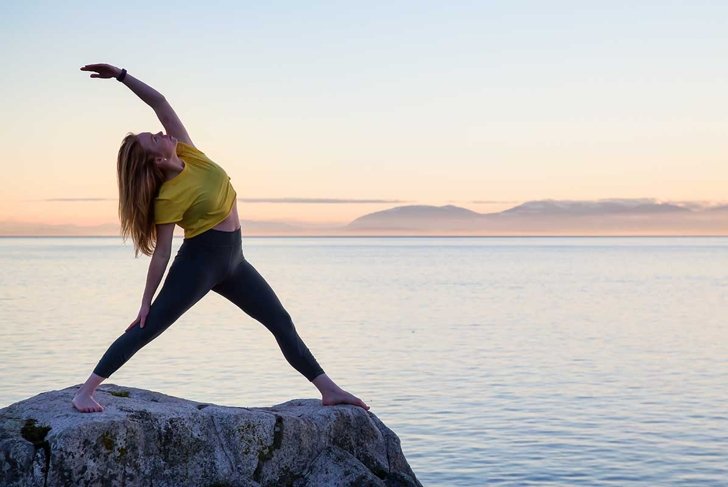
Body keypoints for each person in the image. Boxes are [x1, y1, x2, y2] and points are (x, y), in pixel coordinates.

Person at [72, 63, 369, 413]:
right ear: (154, 160)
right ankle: (85, 391)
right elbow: (163, 253)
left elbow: (161, 103)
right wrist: (145, 302)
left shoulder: (187, 152)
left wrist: (122, 76)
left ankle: (328, 389)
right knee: (147, 327)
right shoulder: (168, 196)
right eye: (153, 138)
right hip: (200, 263)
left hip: (235, 261)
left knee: (280, 321)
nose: (160, 132)